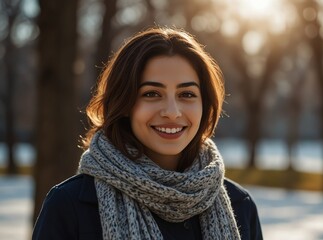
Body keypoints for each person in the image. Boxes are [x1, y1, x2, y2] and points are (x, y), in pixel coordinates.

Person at [32, 27, 263, 240]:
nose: (172, 112)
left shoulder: (240, 205)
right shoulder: (70, 205)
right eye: (152, 94)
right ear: (123, 104)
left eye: (187, 94)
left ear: (205, 105)